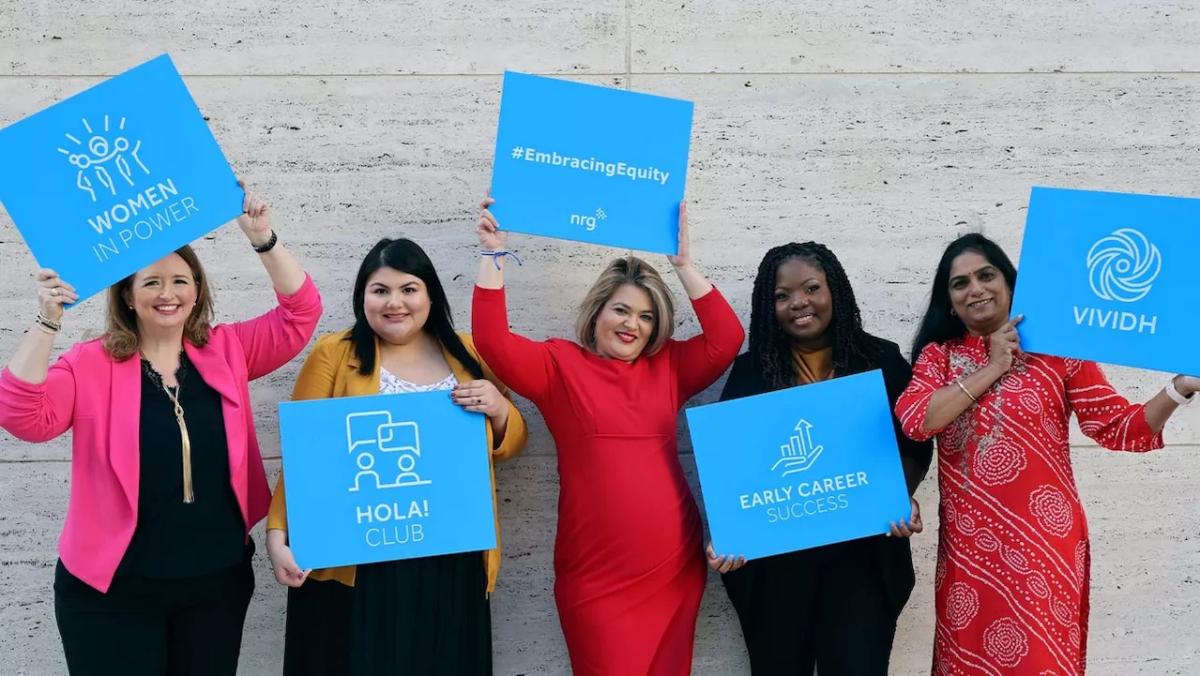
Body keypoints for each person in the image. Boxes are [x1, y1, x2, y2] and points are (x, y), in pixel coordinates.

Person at [0, 186, 322, 675]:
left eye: (180, 280)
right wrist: (47, 322)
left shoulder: (228, 349)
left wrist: (263, 239)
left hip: (215, 587)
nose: (167, 294)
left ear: (197, 290)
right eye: (151, 282)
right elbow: (23, 415)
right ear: (127, 294)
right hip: (112, 594)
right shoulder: (90, 364)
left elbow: (300, 314)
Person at [895, 233, 1199, 674]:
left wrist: (1179, 387)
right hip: (971, 556)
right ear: (950, 300)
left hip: (1045, 547)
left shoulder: (1058, 353)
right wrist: (993, 366)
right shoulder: (939, 357)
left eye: (986, 275)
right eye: (959, 283)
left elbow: (1119, 428)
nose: (974, 288)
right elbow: (917, 420)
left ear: (1009, 282)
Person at [470, 196, 744, 675]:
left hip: (673, 567)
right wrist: (494, 254)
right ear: (598, 311)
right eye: (622, 310)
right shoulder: (559, 366)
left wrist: (683, 264)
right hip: (596, 577)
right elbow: (493, 340)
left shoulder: (671, 367)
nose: (632, 325)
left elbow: (727, 338)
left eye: (646, 316)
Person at [265, 237, 527, 676]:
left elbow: (511, 443)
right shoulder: (336, 352)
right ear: (362, 297)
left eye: (409, 289)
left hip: (450, 556)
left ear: (430, 294)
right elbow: (304, 456)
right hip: (358, 557)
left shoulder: (467, 353)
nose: (395, 303)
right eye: (380, 290)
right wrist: (277, 535)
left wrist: (500, 410)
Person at [712, 242, 932, 675]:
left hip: (862, 560)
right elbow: (731, 465)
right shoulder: (751, 371)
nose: (799, 303)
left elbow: (915, 439)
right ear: (767, 305)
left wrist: (899, 495)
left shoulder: (880, 360)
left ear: (835, 290)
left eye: (812, 287)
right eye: (782, 295)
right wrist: (725, 532)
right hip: (776, 565)